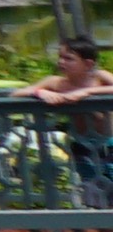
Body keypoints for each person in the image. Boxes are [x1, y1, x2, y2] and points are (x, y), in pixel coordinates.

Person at [29, 36, 113, 210]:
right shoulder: (56, 82)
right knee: (96, 198)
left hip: (108, 144)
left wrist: (88, 92)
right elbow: (18, 93)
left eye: (69, 58)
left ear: (88, 64)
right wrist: (39, 92)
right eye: (60, 57)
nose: (62, 62)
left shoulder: (99, 77)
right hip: (82, 147)